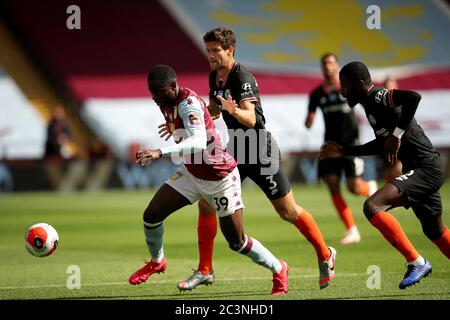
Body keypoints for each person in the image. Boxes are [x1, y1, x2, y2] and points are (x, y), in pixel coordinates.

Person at [171, 27, 336, 291]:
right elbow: (213, 109)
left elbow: (250, 117)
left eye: (216, 51)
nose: (211, 56)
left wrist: (232, 109)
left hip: (259, 149)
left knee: (287, 211)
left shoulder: (242, 76)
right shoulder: (216, 76)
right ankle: (205, 269)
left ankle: (325, 254)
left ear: (230, 51)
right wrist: (190, 118)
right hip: (236, 149)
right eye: (208, 51)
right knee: (206, 204)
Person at [128, 64, 289, 295]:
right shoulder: (167, 102)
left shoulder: (188, 103)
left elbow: (198, 142)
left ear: (173, 86)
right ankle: (157, 261)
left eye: (159, 92)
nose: (155, 97)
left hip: (220, 177)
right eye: (152, 92)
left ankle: (279, 268)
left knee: (237, 242)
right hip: (192, 174)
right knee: (151, 216)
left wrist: (158, 152)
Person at [320, 61, 450, 289]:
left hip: (426, 168)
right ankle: (418, 261)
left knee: (372, 206)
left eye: (346, 86)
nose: (342, 91)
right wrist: (343, 151)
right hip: (421, 169)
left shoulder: (376, 96)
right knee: (434, 230)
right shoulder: (370, 107)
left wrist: (397, 135)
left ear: (360, 85)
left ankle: (416, 262)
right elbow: (382, 143)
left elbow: (413, 98)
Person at [305, 53, 377, 244]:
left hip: (350, 144)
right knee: (332, 184)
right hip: (330, 145)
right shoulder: (317, 94)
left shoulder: (349, 89)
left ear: (337, 66)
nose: (328, 67)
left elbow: (366, 105)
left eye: (331, 63)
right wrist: (309, 120)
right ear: (322, 68)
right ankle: (352, 230)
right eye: (324, 64)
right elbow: (309, 119)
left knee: (353, 187)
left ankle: (369, 186)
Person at [381, 76, 403, 181]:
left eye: (390, 86)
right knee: (389, 177)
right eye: (386, 87)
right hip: (387, 146)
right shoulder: (381, 108)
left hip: (401, 145)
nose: (388, 90)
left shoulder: (402, 106)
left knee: (397, 173)